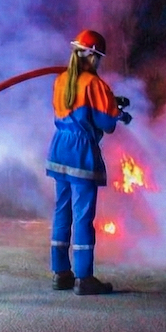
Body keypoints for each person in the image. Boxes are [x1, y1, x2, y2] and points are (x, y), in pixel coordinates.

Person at [47, 29, 131, 296]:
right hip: (81, 152)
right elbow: (106, 124)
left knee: (62, 212)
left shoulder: (61, 80)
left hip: (59, 148)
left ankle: (61, 273)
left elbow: (75, 108)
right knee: (83, 216)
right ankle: (84, 278)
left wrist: (108, 104)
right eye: (99, 58)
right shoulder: (96, 85)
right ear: (93, 56)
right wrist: (116, 113)